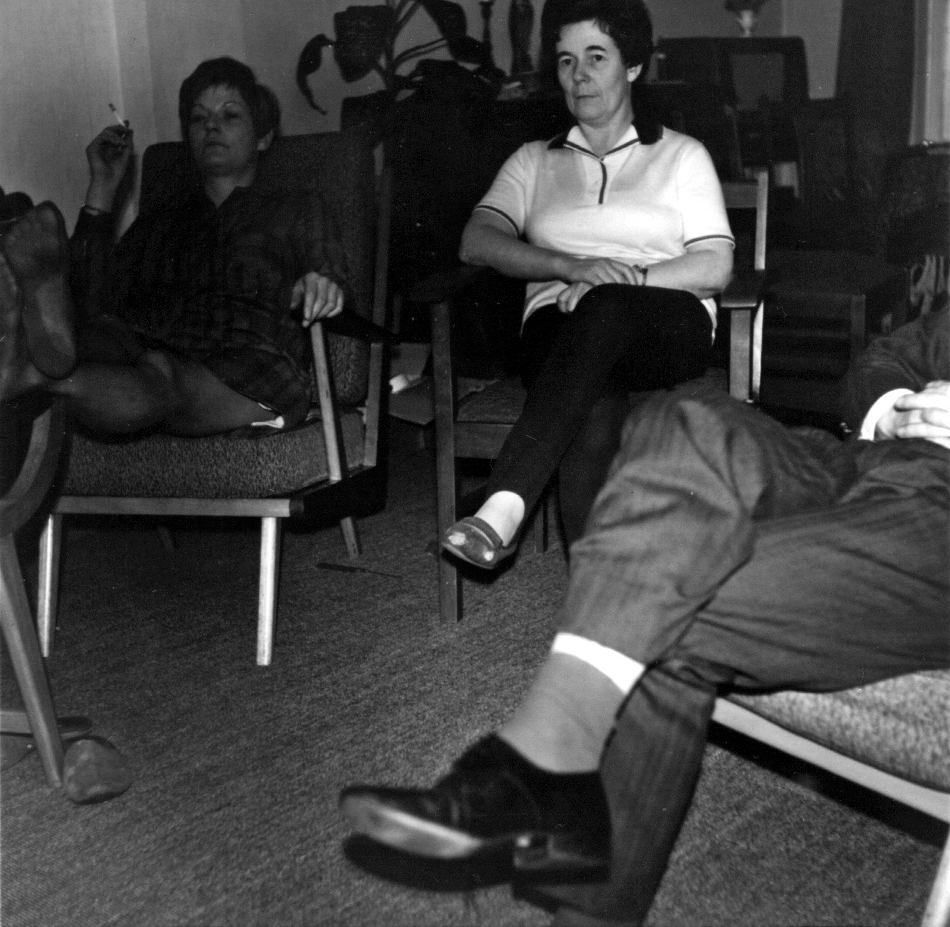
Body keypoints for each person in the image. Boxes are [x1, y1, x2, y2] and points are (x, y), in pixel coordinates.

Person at [340, 308, 949, 923]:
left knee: (654, 591)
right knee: (687, 418)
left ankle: (546, 773)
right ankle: (552, 764)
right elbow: (884, 360)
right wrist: (894, 408)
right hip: (860, 463)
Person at [441, 0, 734, 568]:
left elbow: (715, 265)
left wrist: (618, 281)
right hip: (556, 328)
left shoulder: (682, 155)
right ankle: (594, 591)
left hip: (665, 327)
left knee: (605, 307)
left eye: (596, 57)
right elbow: (477, 241)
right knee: (593, 404)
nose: (579, 75)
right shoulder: (533, 160)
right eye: (566, 60)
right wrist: (571, 267)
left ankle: (506, 500)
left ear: (633, 66)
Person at [0, 57, 349, 436]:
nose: (211, 126)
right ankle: (27, 342)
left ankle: (31, 373)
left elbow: (326, 264)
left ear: (263, 137)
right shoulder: (161, 221)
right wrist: (102, 189)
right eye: (198, 119)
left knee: (160, 371)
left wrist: (321, 281)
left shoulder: (296, 207)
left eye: (229, 115)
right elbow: (93, 302)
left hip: (248, 359)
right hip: (152, 341)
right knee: (101, 334)